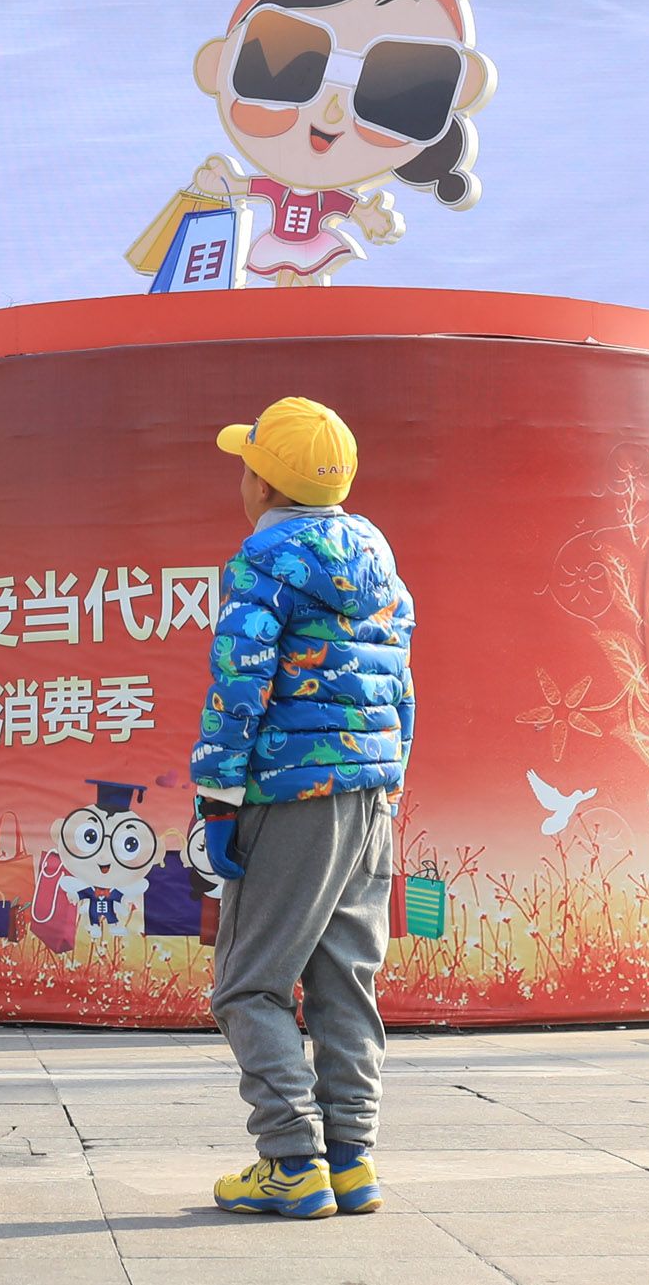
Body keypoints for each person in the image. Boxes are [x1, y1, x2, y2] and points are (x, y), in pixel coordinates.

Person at [188, 396, 413, 1221]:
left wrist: (216, 795)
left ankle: (290, 1158)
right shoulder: (381, 563)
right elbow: (403, 688)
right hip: (372, 796)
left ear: (264, 483)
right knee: (346, 982)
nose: (241, 477)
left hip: (292, 794)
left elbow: (238, 684)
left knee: (249, 984)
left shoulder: (259, 562)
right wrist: (388, 781)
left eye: (246, 463)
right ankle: (351, 1160)